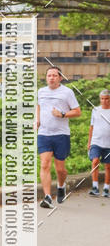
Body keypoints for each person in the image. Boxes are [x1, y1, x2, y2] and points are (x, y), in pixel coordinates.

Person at [36, 66, 81, 208]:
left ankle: (61, 186)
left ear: (60, 78)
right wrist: (37, 120)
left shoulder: (67, 93)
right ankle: (48, 197)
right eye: (49, 75)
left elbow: (77, 112)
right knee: (44, 164)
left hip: (61, 134)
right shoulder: (41, 91)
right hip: (44, 133)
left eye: (54, 75)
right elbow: (39, 106)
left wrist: (62, 115)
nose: (51, 78)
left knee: (60, 169)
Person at [88, 89, 110, 197]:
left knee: (108, 166)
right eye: (102, 99)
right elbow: (91, 128)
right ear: (100, 99)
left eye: (106, 99)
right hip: (96, 142)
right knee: (95, 161)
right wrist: (89, 143)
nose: (104, 101)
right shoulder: (95, 110)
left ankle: (106, 189)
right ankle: (95, 187)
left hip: (108, 144)